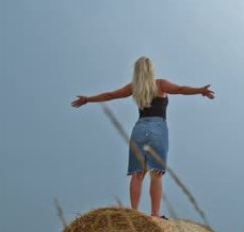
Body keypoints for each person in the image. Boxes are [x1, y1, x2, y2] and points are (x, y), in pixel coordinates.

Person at [71, 56, 214, 217]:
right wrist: (200, 90)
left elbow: (110, 95)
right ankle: (155, 214)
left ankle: (134, 213)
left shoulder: (134, 87)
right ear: (152, 70)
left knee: (137, 174)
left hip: (139, 129)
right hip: (158, 128)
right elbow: (180, 89)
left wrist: (88, 99)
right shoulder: (160, 84)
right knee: (156, 174)